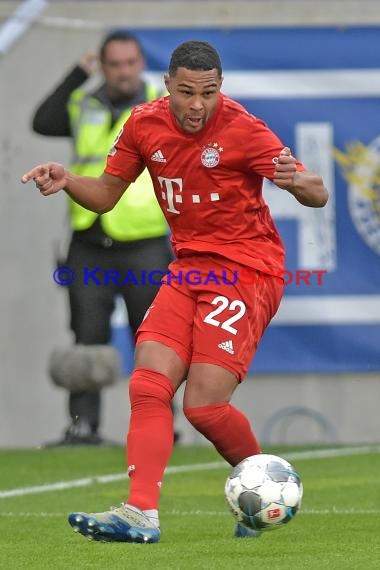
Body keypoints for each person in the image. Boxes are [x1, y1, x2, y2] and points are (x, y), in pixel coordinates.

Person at [22, 40, 328, 542]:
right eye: (186, 92)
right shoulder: (145, 123)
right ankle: (141, 513)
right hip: (187, 269)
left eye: (208, 92)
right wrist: (68, 179)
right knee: (147, 385)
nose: (197, 105)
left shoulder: (243, 129)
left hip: (246, 271)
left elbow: (317, 193)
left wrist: (299, 183)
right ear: (168, 86)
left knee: (204, 407)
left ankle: (265, 485)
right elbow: (105, 195)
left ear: (220, 88)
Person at [31, 30, 174, 445]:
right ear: (103, 65)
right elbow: (42, 120)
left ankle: (160, 426)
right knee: (86, 335)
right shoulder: (83, 102)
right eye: (115, 64)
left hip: (144, 241)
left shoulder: (162, 105)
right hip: (88, 242)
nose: (124, 72)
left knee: (152, 339)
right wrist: (78, 73)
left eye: (131, 63)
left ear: (141, 63)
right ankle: (83, 427)